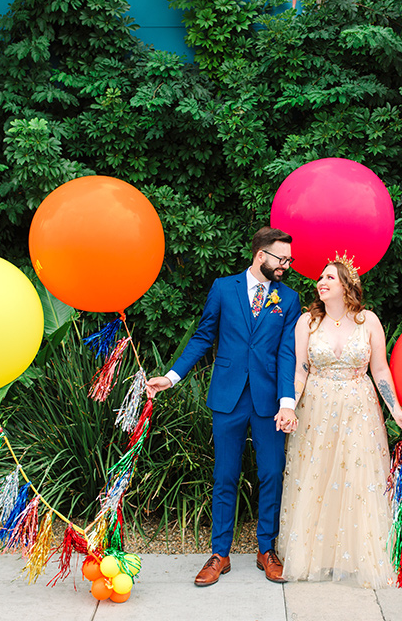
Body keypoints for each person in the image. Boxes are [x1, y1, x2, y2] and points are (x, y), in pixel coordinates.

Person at [146, 227, 300, 587]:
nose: (286, 267)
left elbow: (287, 353)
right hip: (228, 398)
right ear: (260, 255)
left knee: (271, 474)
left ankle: (267, 550)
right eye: (282, 259)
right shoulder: (223, 288)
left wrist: (287, 402)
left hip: (269, 402)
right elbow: (203, 336)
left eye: (289, 261)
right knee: (225, 476)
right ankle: (220, 553)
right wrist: (171, 377)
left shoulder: (288, 299)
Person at [276, 255, 402, 588]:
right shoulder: (306, 322)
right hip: (316, 407)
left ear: (346, 286)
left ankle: (359, 556)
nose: (321, 282)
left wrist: (396, 410)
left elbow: (380, 369)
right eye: (320, 278)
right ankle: (317, 556)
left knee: (357, 476)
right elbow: (301, 369)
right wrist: (290, 407)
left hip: (359, 406)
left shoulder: (368, 321)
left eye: (329, 277)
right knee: (317, 475)